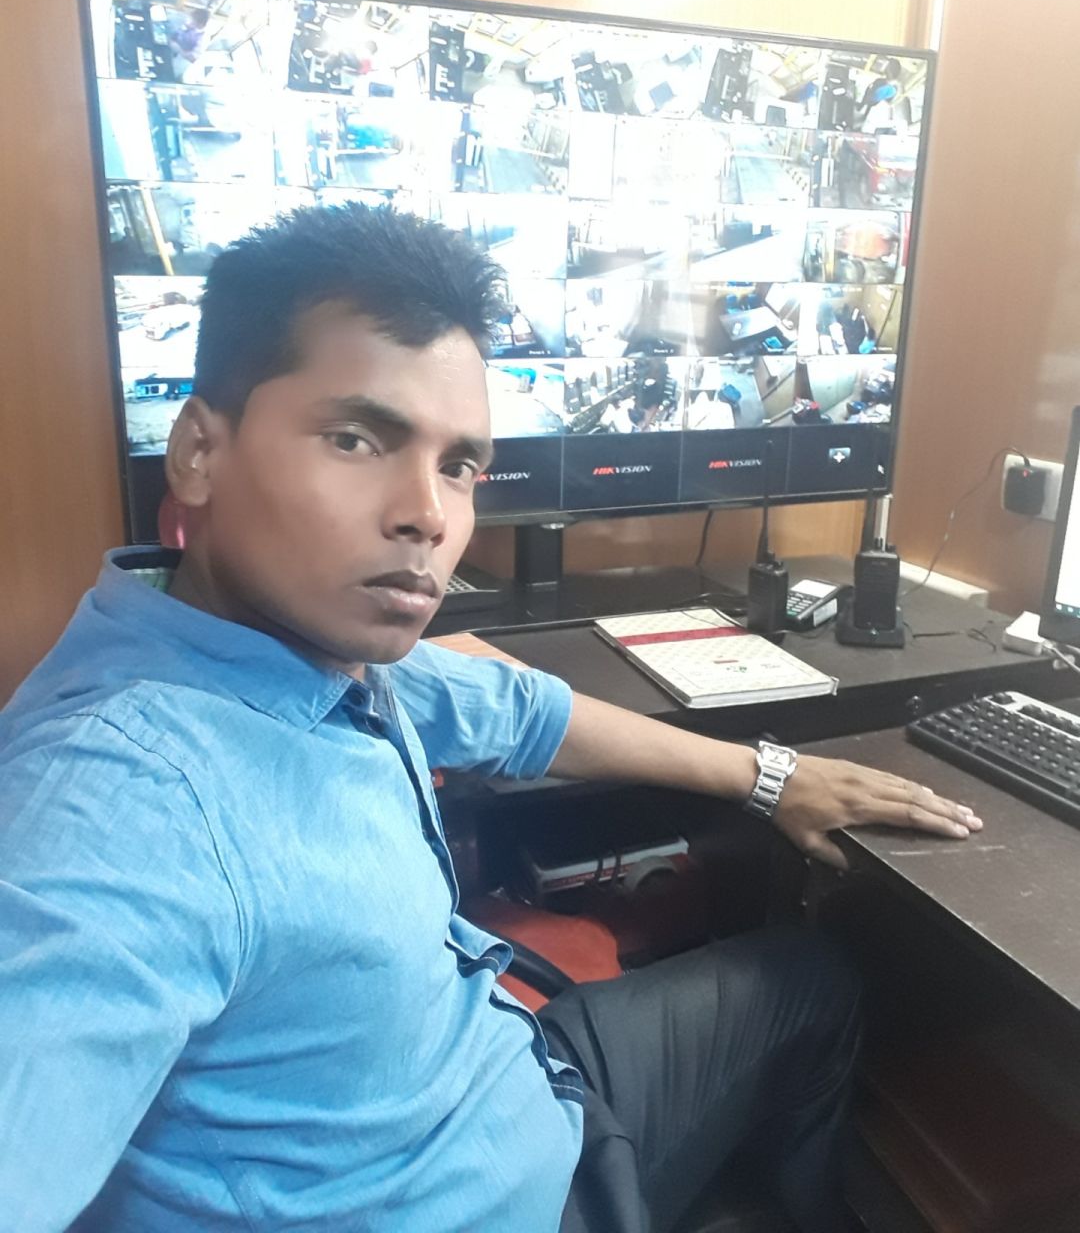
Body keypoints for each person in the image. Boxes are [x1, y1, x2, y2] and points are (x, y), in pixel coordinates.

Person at [0, 203, 982, 1233]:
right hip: (505, 1197)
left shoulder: (292, 648)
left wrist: (773, 778)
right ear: (200, 450)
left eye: (459, 466)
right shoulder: (118, 801)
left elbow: (518, 709)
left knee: (813, 982)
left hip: (516, 1085)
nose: (429, 516)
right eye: (355, 438)